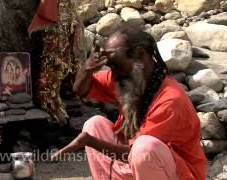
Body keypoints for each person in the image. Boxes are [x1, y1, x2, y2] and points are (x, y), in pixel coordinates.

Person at [51, 24, 206, 180]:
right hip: (138, 164)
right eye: (110, 67)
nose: (113, 75)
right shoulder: (125, 76)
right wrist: (88, 68)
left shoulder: (171, 101)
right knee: (94, 125)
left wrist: (90, 142)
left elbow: (134, 153)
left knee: (145, 148)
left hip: (177, 174)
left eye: (116, 66)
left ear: (139, 55)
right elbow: (81, 90)